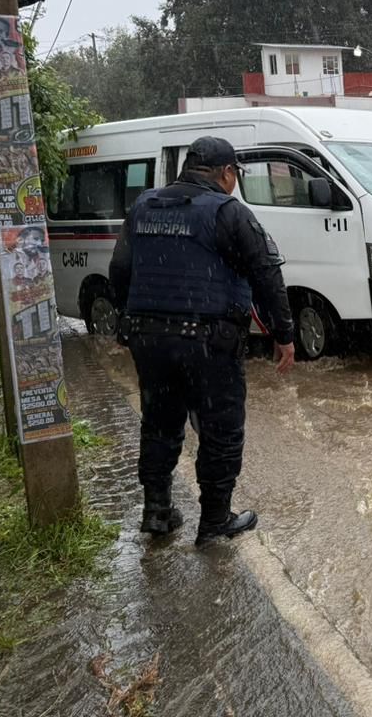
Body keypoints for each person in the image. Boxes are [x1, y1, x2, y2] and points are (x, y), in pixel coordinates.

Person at [109, 136, 296, 547]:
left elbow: (120, 269)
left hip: (149, 340)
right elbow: (267, 274)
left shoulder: (144, 207)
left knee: (159, 424)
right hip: (208, 343)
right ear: (226, 173)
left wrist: (128, 322)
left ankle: (156, 512)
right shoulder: (229, 212)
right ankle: (214, 520)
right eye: (235, 175)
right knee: (220, 430)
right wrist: (284, 334)